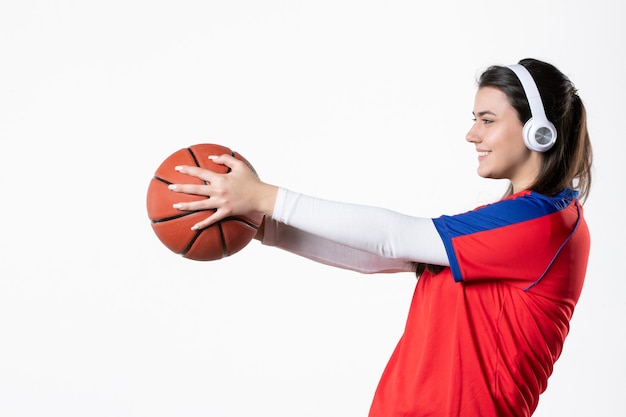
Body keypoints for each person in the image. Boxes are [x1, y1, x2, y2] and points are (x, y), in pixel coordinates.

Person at [167, 58, 593, 417]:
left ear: (540, 131)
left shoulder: (543, 224)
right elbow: (379, 255)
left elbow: (394, 237)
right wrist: (262, 223)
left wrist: (264, 196)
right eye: (473, 120)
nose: (472, 135)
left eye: (487, 120)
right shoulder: (506, 221)